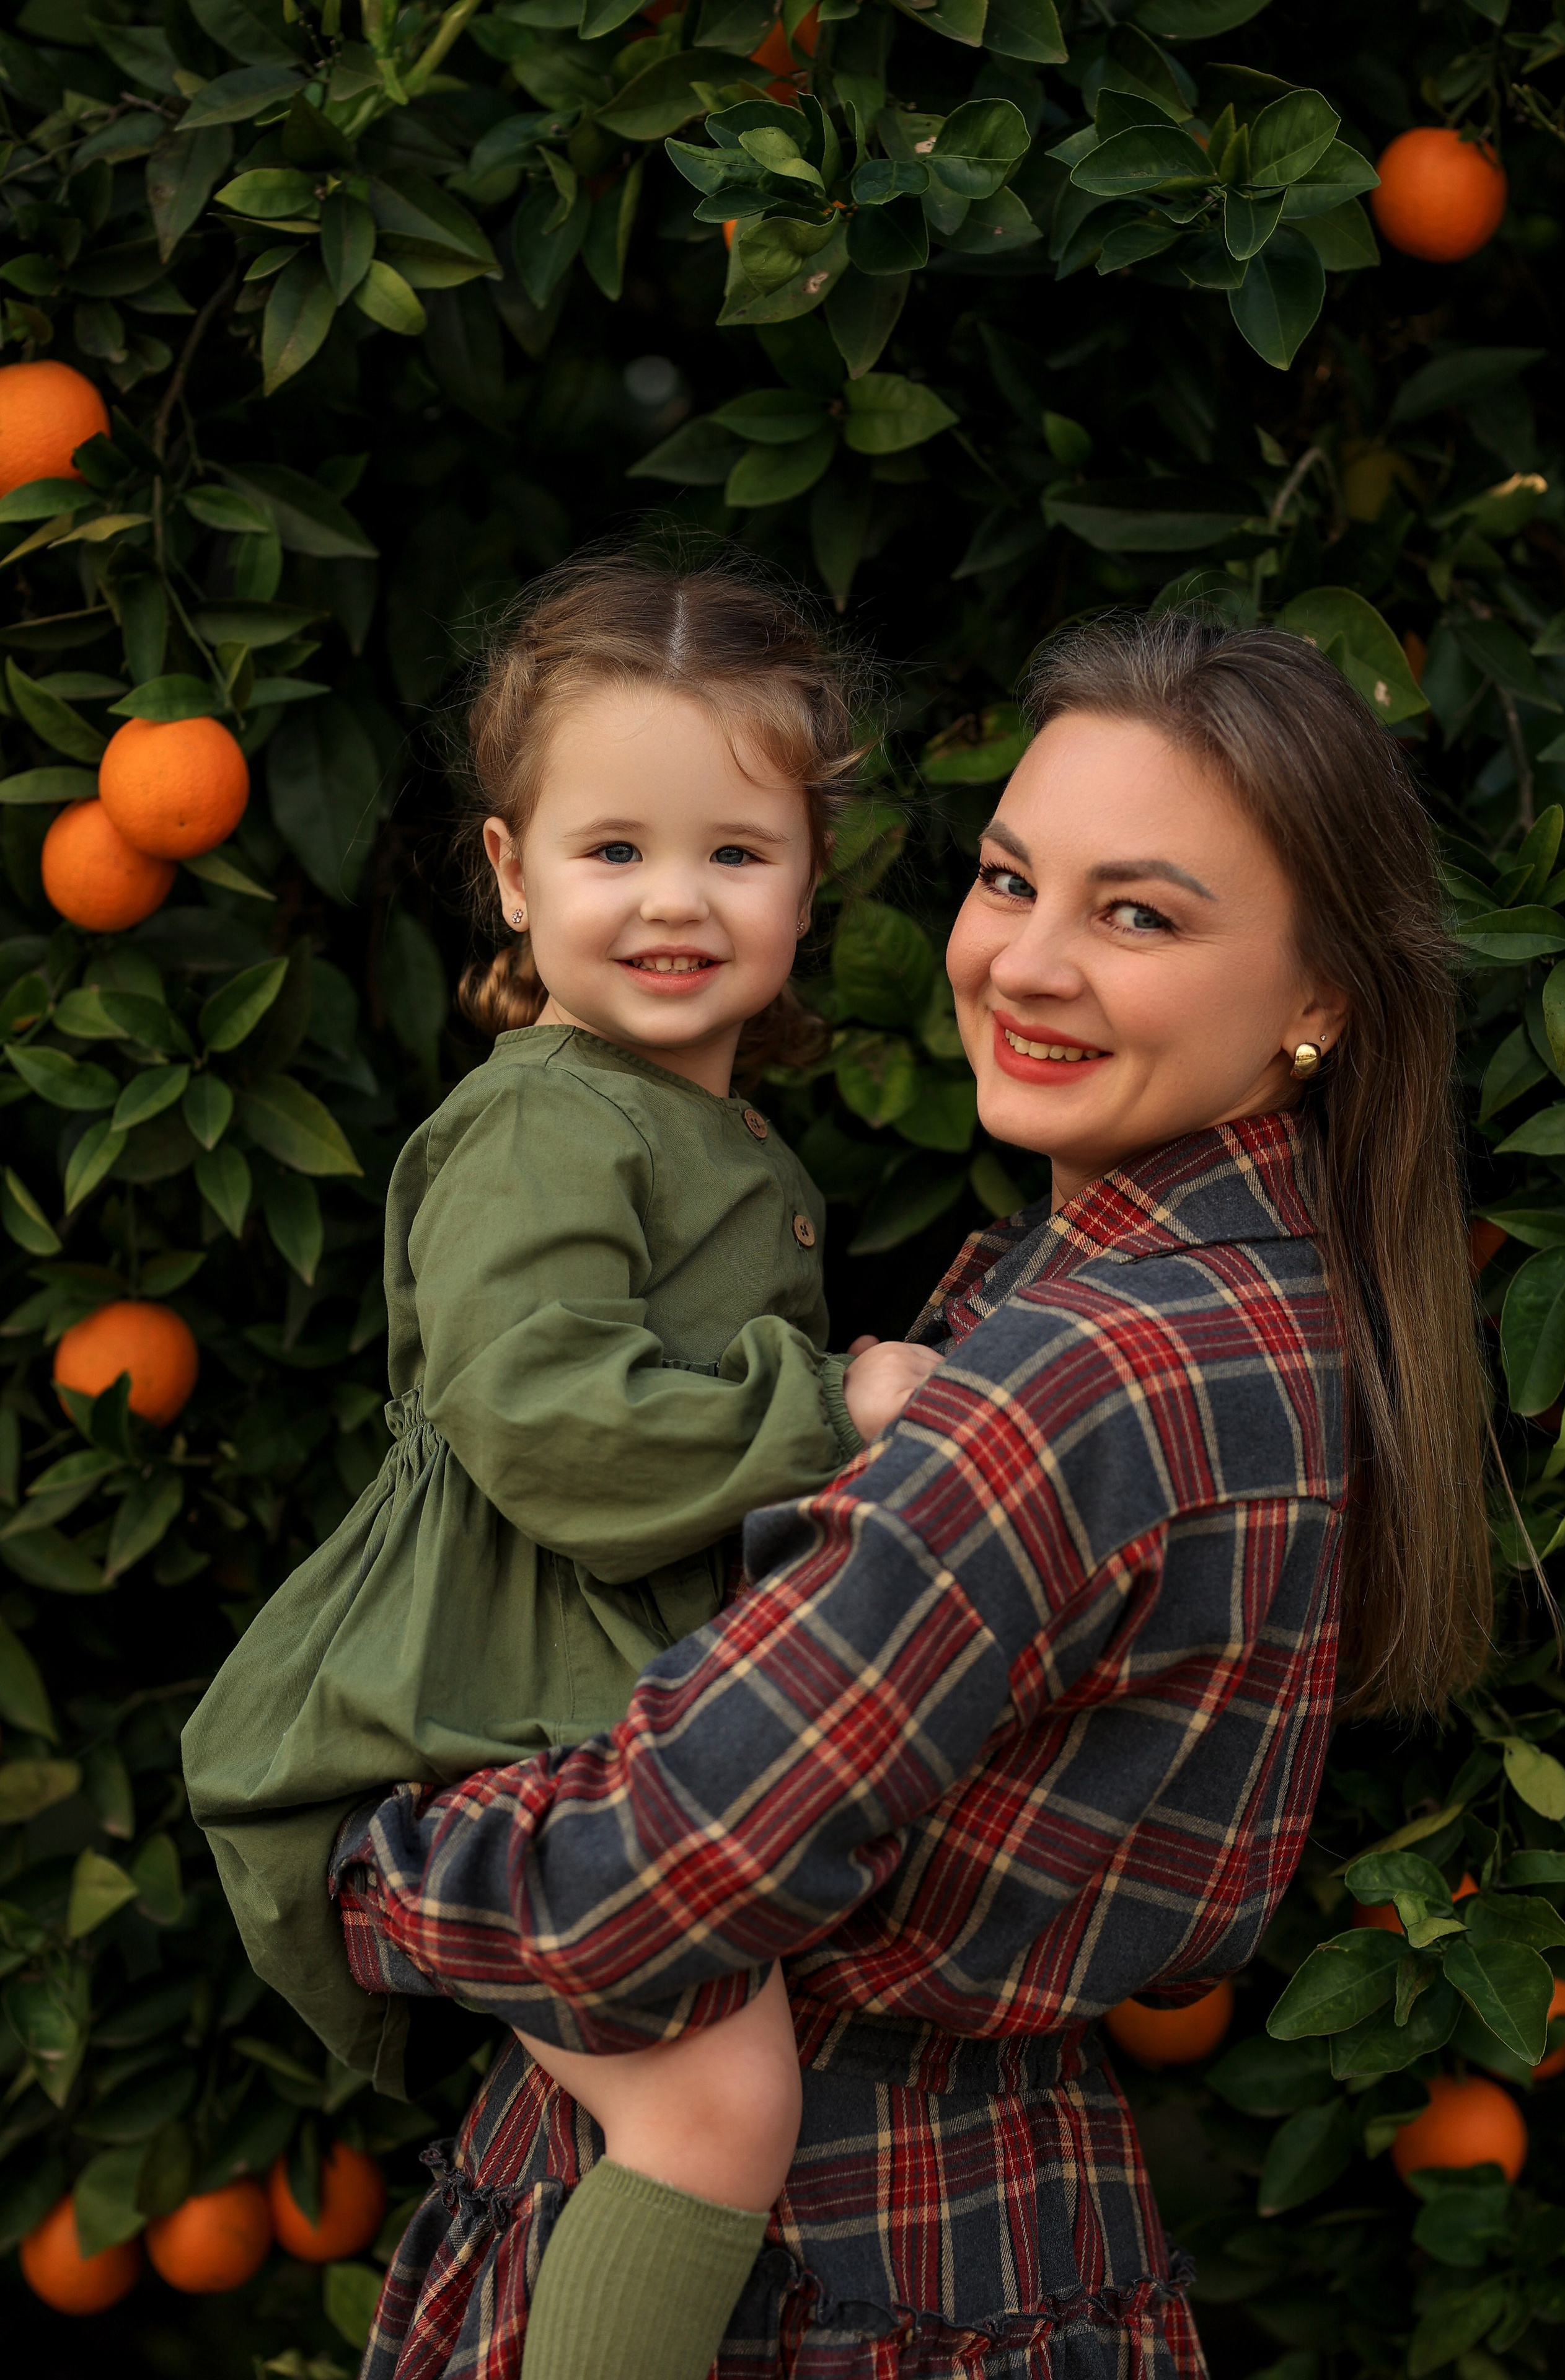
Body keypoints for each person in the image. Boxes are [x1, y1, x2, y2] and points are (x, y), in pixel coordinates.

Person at [331, 611, 1492, 2380]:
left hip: (820, 2266)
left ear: (1320, 995)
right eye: (1011, 880)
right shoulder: (1261, 1305)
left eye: (1138, 915)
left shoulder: (1083, 1374)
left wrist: (371, 1851)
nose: (1026, 964)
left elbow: (648, 1883)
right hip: (1022, 2217)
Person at [182, 551, 942, 2380]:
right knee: (712, 2115)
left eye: (735, 852)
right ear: (514, 874)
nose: (675, 899)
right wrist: (833, 1406)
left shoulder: (693, 1123)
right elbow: (544, 1418)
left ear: (809, 880)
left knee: (689, 2102)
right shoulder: (541, 1121)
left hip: (581, 1695)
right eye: (614, 850)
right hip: (479, 1703)